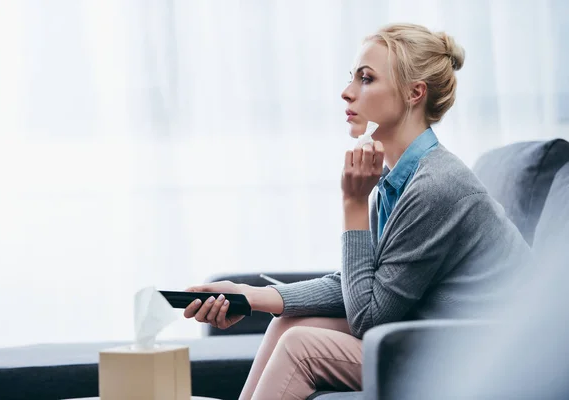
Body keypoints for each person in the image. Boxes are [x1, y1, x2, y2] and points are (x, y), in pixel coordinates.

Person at [182, 23, 531, 400]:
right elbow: (356, 286)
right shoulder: (399, 179)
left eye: (366, 79)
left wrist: (353, 203)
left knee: (301, 346)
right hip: (432, 337)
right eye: (352, 78)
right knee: (289, 324)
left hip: (484, 356)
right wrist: (249, 296)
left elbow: (368, 318)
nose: (347, 92)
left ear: (415, 93)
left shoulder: (437, 186)